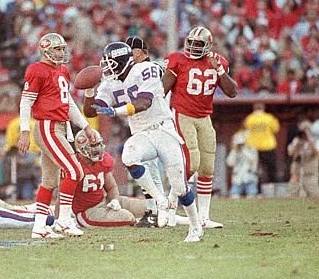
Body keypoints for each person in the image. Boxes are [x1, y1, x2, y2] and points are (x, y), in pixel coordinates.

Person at [84, 41, 202, 242]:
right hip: (142, 134)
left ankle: (196, 227)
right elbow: (89, 111)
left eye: (110, 62)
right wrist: (88, 91)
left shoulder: (146, 69)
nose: (106, 67)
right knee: (129, 155)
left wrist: (116, 111)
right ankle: (159, 199)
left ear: (122, 61)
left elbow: (144, 102)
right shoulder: (109, 83)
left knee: (180, 187)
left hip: (163, 130)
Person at [17, 32, 98, 239]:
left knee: (50, 180)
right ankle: (64, 220)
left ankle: (39, 227)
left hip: (61, 126)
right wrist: (24, 131)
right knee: (74, 171)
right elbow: (26, 101)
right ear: (46, 50)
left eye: (63, 49)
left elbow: (68, 102)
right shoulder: (37, 70)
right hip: (47, 126)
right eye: (57, 49)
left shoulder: (62, 70)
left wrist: (85, 126)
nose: (62, 52)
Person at [163, 26, 238, 229]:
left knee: (207, 167)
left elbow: (232, 92)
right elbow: (162, 89)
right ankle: (169, 209)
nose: (193, 47)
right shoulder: (177, 60)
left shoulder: (218, 62)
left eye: (198, 44)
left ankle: (204, 217)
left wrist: (220, 70)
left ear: (207, 46)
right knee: (190, 163)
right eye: (191, 43)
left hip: (205, 117)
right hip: (182, 113)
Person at [124, 36, 166, 228]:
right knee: (149, 169)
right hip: (146, 125)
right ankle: (159, 209)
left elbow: (156, 71)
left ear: (139, 52)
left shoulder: (149, 68)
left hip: (156, 125)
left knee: (151, 169)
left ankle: (156, 209)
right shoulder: (135, 72)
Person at [244, 102, 280, 194]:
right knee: (271, 169)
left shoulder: (249, 118)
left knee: (255, 171)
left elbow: (246, 130)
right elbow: (276, 129)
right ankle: (272, 191)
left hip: (254, 148)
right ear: (263, 108)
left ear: (254, 108)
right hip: (268, 146)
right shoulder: (269, 118)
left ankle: (257, 191)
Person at [287, 122, 319, 198]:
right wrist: (297, 144)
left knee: (314, 195)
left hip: (310, 174)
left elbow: (317, 153)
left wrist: (310, 141)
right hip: (296, 173)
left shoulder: (315, 141)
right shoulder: (296, 141)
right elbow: (290, 153)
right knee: (293, 194)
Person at [226, 133, 259, 198]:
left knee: (251, 197)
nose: (240, 145)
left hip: (250, 178)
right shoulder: (234, 151)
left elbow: (252, 159)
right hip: (238, 179)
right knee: (234, 196)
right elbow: (229, 163)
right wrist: (235, 151)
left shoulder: (251, 149)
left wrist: (243, 150)